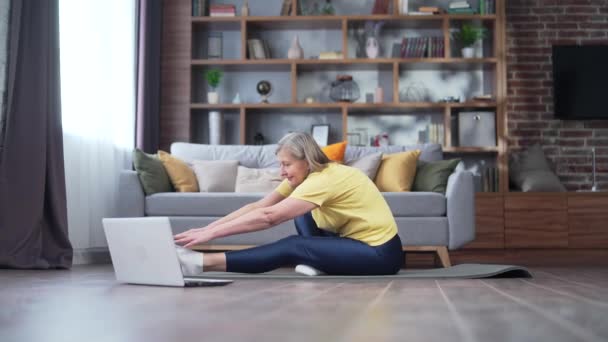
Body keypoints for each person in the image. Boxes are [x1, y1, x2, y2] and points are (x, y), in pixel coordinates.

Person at [173, 132, 404, 276]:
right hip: (350, 241)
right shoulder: (304, 177)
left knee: (292, 246)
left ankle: (201, 263)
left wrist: (210, 238)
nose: (281, 172)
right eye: (280, 164)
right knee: (300, 210)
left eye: (287, 164)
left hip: (381, 254)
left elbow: (269, 217)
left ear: (307, 161)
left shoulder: (323, 180)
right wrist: (208, 229)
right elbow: (260, 207)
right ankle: (318, 260)